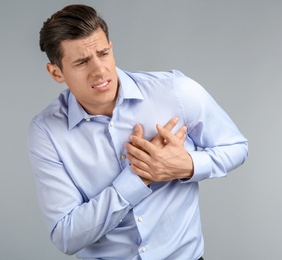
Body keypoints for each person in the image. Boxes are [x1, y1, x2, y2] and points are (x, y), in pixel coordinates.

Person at [28, 4, 248, 260]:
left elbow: (236, 147)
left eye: (103, 53)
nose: (99, 70)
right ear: (56, 72)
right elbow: (66, 236)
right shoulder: (46, 132)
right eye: (82, 62)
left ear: (111, 48)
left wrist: (186, 164)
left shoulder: (175, 91)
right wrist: (137, 178)